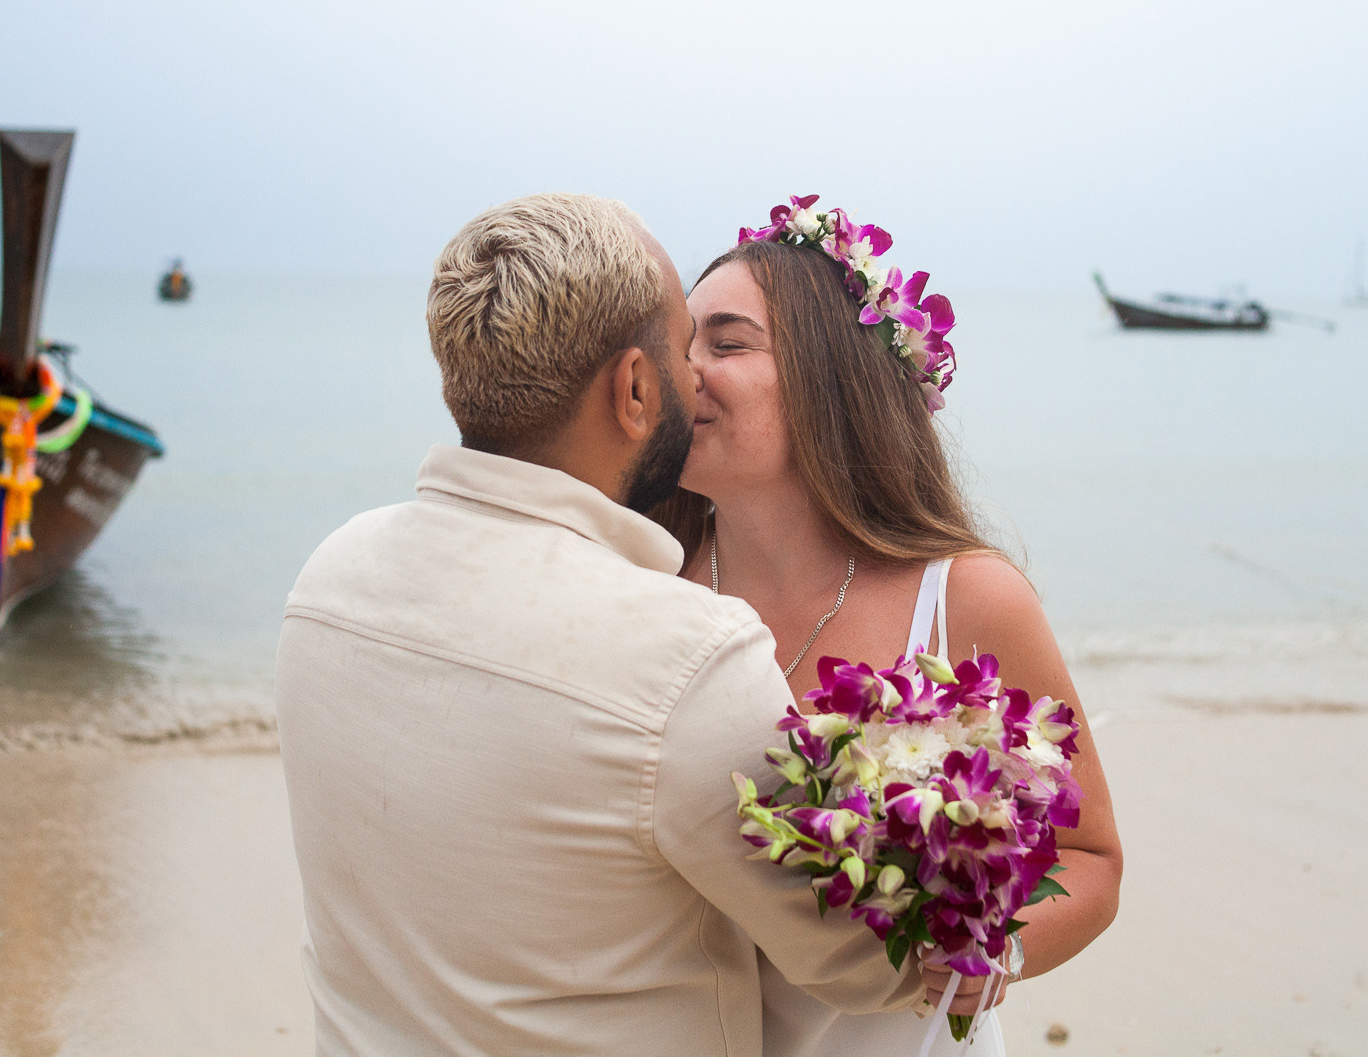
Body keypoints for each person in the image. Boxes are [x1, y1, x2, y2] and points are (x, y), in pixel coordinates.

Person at [277, 194, 965, 1055]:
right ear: (636, 390)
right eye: (684, 348)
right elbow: (861, 965)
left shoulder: (328, 576)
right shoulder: (685, 654)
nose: (699, 376)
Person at [653, 197, 1124, 1056]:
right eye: (681, 345)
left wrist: (995, 953)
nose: (686, 372)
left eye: (726, 343)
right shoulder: (648, 584)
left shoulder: (969, 599)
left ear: (828, 376)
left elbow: (1090, 858)